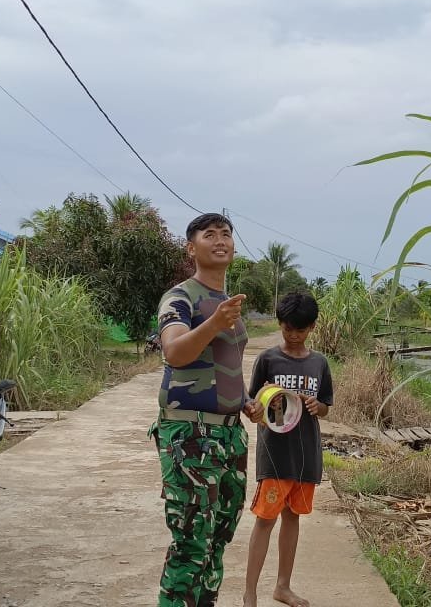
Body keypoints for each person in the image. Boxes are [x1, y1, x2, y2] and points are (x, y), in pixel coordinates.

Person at [150, 212, 262, 607]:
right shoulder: (180, 297)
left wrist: (245, 401)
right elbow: (175, 352)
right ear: (191, 248)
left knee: (218, 536)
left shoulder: (227, 305)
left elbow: (225, 366)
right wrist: (213, 323)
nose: (220, 240)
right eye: (209, 234)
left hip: (229, 433)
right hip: (191, 435)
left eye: (226, 234)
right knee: (191, 539)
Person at [243, 292, 334, 607]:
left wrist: (317, 406)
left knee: (292, 516)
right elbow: (252, 404)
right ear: (279, 324)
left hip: (305, 454)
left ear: (312, 327)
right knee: (265, 519)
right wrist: (258, 406)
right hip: (275, 454)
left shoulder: (319, 363)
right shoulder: (268, 359)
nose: (294, 335)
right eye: (287, 329)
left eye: (301, 330)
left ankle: (283, 587)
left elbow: (326, 407)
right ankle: (250, 593)